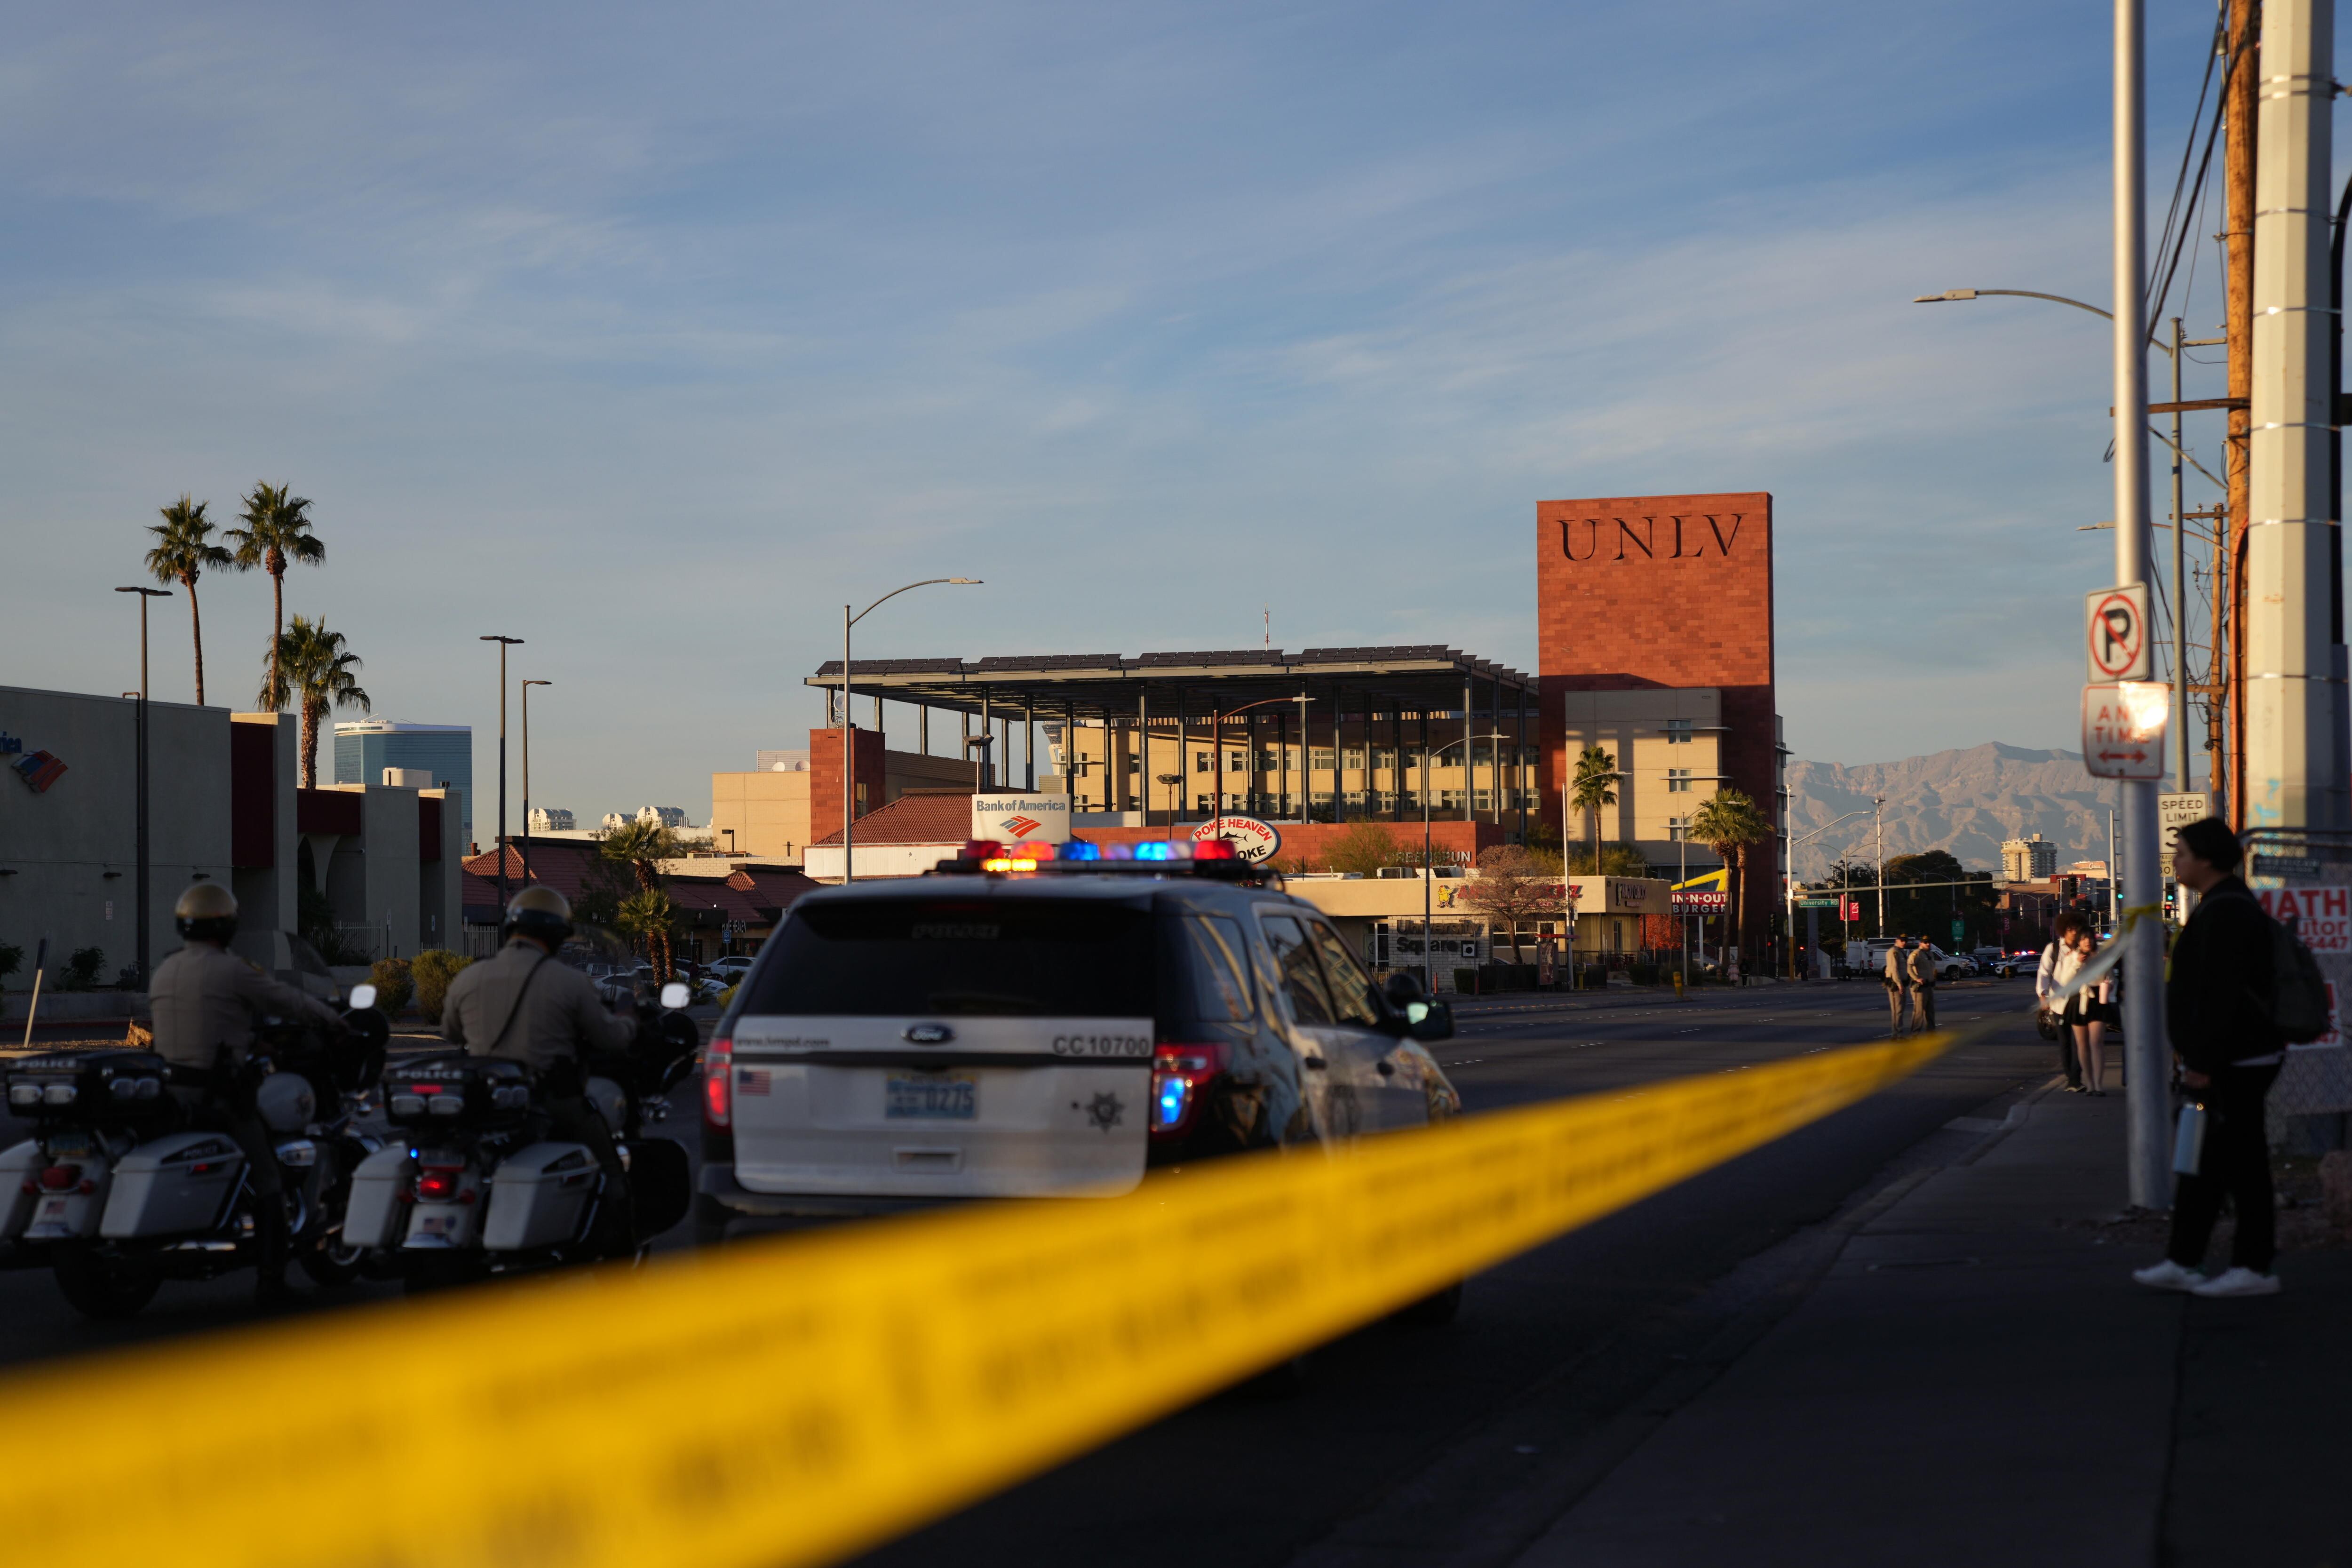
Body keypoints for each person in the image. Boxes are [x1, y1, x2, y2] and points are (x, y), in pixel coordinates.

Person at [147, 881, 351, 1305]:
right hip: (218, 1097)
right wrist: (334, 1018)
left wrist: (252, 1043)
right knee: (269, 1175)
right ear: (226, 925)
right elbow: (289, 1000)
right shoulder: (232, 968)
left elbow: (208, 1024)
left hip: (170, 1093)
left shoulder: (165, 970)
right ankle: (271, 1279)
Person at [441, 886, 643, 1255]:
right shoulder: (569, 981)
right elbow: (609, 1036)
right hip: (548, 1099)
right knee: (613, 1168)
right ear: (555, 936)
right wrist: (631, 1022)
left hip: (484, 1102)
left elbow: (450, 1032)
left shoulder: (469, 978)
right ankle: (617, 1252)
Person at [2134, 817, 2286, 1298]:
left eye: (2179, 852)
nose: (2175, 860)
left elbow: (2219, 996)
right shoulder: (2220, 905)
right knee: (2201, 1165)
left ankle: (2254, 1267)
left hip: (2235, 1061)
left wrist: (2200, 1061)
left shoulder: (2227, 911)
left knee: (2244, 1164)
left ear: (2204, 858)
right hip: (2227, 1057)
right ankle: (2184, 1259)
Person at [2035, 912, 2088, 1091]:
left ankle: (2076, 1079)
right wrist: (2043, 995)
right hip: (2059, 1003)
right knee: (2065, 1042)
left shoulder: (2085, 948)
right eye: (2070, 929)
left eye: (2076, 929)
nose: (2073, 932)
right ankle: (2070, 1077)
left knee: (2079, 1043)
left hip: (2081, 1002)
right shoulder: (2054, 948)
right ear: (2064, 930)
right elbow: (2044, 972)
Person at [1883, 934, 1914, 1037]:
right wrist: (1899, 984)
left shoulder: (1901, 952)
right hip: (1895, 985)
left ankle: (1898, 1034)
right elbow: (1894, 970)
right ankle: (1897, 1035)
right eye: (1902, 940)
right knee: (1898, 1010)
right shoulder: (1893, 952)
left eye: (1906, 940)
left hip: (1902, 983)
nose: (1904, 942)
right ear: (1897, 940)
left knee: (1900, 1010)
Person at [1906, 935, 1939, 1034]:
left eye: (1929, 942)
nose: (1928, 944)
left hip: (1929, 986)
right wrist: (1916, 978)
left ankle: (1931, 1032)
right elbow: (1909, 967)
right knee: (1919, 1012)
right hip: (1920, 987)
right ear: (1921, 944)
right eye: (1925, 942)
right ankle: (1915, 1034)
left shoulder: (1930, 954)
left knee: (1930, 1011)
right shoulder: (1917, 954)